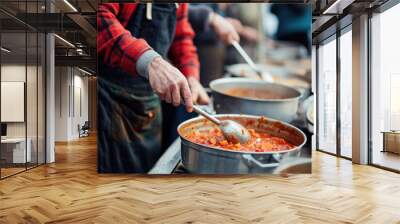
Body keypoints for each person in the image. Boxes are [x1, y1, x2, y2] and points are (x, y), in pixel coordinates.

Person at [97, 3, 209, 173]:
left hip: (149, 106)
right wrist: (149, 61)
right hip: (109, 100)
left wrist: (191, 75)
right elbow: (98, 18)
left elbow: (182, 37)